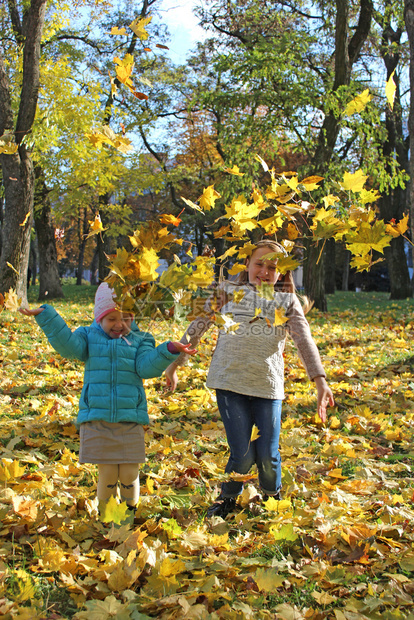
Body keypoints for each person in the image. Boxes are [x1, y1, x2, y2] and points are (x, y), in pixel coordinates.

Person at [165, 240, 334, 518]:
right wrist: (175, 364)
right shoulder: (227, 292)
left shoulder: (286, 301)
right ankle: (227, 498)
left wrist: (320, 381)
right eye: (259, 264)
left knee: (267, 455)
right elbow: (197, 326)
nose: (265, 271)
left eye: (272, 267)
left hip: (268, 386)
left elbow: (304, 340)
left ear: (282, 273)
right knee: (242, 454)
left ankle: (271, 496)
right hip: (229, 382)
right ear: (247, 264)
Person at [19, 282, 196, 519]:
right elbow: (68, 348)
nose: (119, 324)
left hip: (129, 418)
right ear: (99, 317)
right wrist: (48, 317)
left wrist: (168, 350)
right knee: (108, 473)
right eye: (111, 318)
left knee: (129, 474)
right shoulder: (87, 336)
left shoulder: (141, 340)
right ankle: (108, 516)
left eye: (126, 317)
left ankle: (128, 514)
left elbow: (146, 368)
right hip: (98, 417)